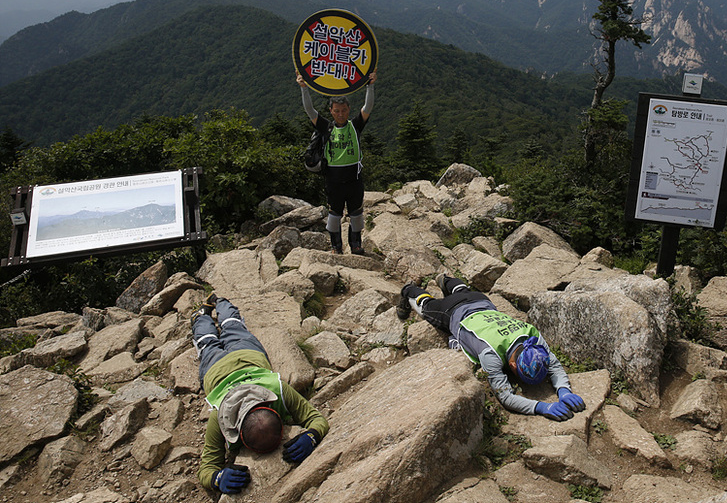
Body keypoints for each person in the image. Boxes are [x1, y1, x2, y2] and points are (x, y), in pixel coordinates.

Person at [396, 275, 586, 421]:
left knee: (462, 290)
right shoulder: (491, 354)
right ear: (512, 367)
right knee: (426, 305)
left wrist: (564, 390)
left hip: (480, 300)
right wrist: (541, 407)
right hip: (453, 311)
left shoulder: (532, 337)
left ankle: (446, 280)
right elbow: (506, 397)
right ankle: (408, 290)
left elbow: (552, 364)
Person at [191, 295, 330, 494]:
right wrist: (312, 434)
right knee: (223, 334)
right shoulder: (275, 390)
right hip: (224, 366)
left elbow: (208, 466)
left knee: (216, 337)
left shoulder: (223, 413)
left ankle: (207, 311)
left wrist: (216, 477)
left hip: (242, 358)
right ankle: (218, 304)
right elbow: (315, 419)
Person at [297, 71, 377, 255]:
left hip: (354, 179)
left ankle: (355, 245)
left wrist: (370, 85)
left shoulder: (355, 125)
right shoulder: (326, 127)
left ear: (348, 110)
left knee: (356, 214)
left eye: (344, 110)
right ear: (331, 111)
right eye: (336, 111)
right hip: (333, 180)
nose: (340, 114)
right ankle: (336, 247)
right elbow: (310, 111)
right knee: (334, 216)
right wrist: (304, 89)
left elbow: (368, 106)